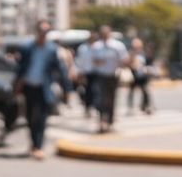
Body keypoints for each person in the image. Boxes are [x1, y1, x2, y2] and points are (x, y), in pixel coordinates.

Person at [13, 20, 73, 160]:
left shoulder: (52, 49)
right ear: (37, 31)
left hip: (43, 88)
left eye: (46, 31)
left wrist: (67, 89)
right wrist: (16, 86)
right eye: (41, 30)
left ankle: (38, 146)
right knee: (30, 117)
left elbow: (60, 70)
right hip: (28, 87)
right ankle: (33, 143)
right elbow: (19, 69)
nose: (43, 33)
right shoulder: (26, 47)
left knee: (41, 118)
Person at [87, 25, 129, 133]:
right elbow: (92, 60)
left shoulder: (117, 46)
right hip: (101, 75)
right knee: (100, 99)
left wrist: (119, 63)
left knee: (111, 100)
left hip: (113, 75)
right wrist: (99, 61)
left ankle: (109, 122)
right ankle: (102, 121)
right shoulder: (96, 46)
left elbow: (124, 59)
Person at [126, 38, 154, 116]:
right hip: (133, 75)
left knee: (145, 91)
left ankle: (146, 106)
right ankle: (130, 107)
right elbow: (127, 63)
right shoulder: (131, 54)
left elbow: (149, 63)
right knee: (131, 92)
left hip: (143, 76)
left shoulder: (144, 54)